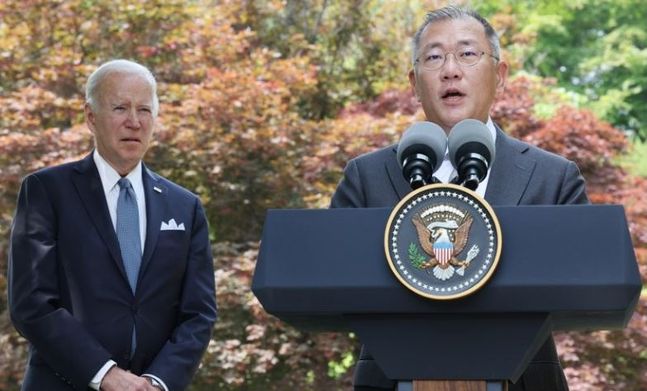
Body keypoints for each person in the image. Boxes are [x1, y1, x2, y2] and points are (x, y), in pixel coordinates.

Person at [331, 5, 587, 391]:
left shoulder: (553, 176)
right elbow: (330, 278)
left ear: (499, 75)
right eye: (434, 57)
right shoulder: (366, 176)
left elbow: (582, 277)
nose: (451, 69)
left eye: (468, 53)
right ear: (414, 82)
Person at [8, 59, 217, 391]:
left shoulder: (185, 206)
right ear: (91, 117)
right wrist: (105, 374)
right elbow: (31, 302)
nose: (134, 122)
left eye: (144, 110)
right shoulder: (47, 192)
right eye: (120, 108)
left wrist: (156, 382)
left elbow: (199, 313)